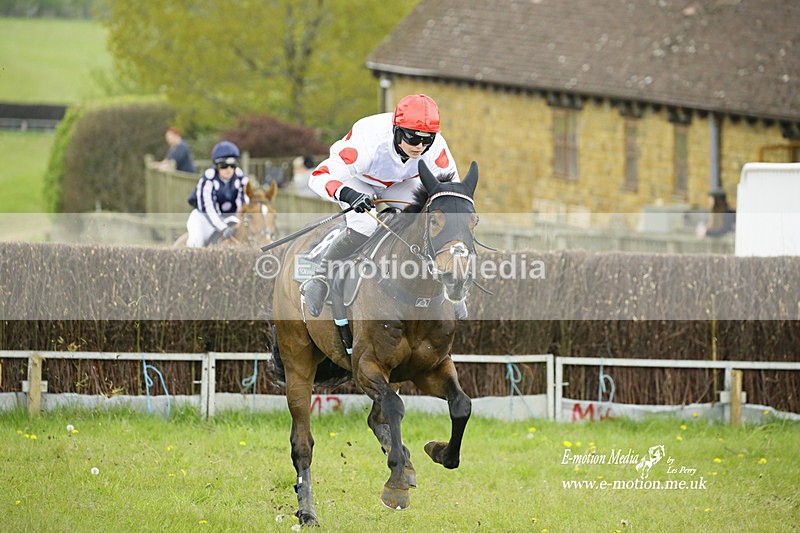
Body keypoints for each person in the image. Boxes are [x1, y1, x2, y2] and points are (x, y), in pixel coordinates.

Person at [303, 93, 466, 318]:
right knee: (365, 226)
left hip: (399, 183)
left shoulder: (436, 146)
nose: (420, 146)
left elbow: (450, 193)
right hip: (357, 179)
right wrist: (349, 195)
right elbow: (318, 176)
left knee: (425, 220)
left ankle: (448, 287)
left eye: (427, 140)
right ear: (397, 130)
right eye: (412, 139)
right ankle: (320, 276)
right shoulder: (370, 142)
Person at [186, 141, 250, 248]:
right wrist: (223, 228)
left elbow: (243, 204)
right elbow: (208, 208)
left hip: (229, 216)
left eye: (232, 165)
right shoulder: (208, 180)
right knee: (196, 242)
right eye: (224, 165)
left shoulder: (241, 178)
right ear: (217, 166)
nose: (229, 169)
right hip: (204, 219)